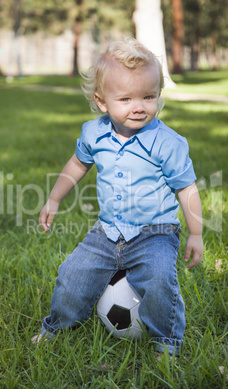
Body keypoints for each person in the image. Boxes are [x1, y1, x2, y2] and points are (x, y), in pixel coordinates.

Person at [32, 37, 203, 356]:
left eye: (148, 96)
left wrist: (196, 232)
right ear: (102, 101)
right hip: (107, 231)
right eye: (125, 98)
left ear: (158, 95)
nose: (139, 106)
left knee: (159, 278)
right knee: (72, 273)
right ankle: (57, 325)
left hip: (155, 232)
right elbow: (76, 165)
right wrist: (54, 199)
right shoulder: (93, 134)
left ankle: (166, 340)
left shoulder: (167, 143)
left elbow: (187, 188)